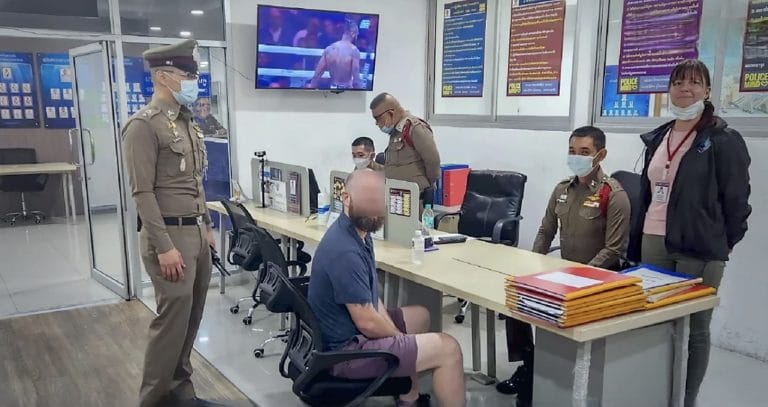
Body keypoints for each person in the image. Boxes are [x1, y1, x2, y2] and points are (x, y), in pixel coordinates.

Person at [628, 59, 751, 407]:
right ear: (669, 89)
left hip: (700, 245)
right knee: (656, 323)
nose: (686, 89)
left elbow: (737, 200)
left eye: (695, 82)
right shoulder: (660, 136)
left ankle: (686, 400)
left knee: (695, 328)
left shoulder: (723, 139)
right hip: (654, 239)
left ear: (707, 91)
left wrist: (722, 243)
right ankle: (657, 393)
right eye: (679, 82)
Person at [308, 170, 466, 407]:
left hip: (352, 335)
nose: (374, 209)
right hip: (345, 355)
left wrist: (400, 339)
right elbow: (367, 323)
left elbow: (371, 298)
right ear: (346, 198)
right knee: (448, 348)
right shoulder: (345, 251)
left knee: (421, 316)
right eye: (367, 200)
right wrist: (400, 339)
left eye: (378, 200)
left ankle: (409, 398)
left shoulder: (359, 233)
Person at [497, 126, 631, 407]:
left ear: (601, 155)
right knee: (517, 299)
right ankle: (530, 365)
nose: (576, 157)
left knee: (555, 312)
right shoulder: (562, 189)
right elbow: (546, 231)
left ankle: (552, 375)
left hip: (598, 279)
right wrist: (531, 268)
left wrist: (580, 278)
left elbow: (614, 250)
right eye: (572, 151)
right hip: (565, 274)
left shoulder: (613, 195)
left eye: (585, 152)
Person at [122, 39, 219, 407]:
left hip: (195, 232)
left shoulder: (186, 122)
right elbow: (142, 192)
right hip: (169, 236)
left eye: (193, 75)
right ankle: (152, 400)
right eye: (186, 74)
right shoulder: (143, 126)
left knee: (191, 318)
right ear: (163, 76)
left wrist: (206, 225)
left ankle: (181, 392)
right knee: (171, 324)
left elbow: (194, 181)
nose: (193, 81)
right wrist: (164, 247)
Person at [369, 92, 441, 207]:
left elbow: (433, 160)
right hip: (397, 198)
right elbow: (394, 168)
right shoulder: (396, 132)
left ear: (391, 113)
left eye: (378, 118)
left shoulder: (415, 128)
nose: (377, 123)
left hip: (414, 199)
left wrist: (428, 186)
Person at [308, 19, 362, 90]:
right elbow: (356, 79)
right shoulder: (354, 51)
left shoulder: (329, 49)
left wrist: (311, 89)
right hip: (346, 91)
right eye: (356, 34)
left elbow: (317, 74)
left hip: (332, 89)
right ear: (353, 34)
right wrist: (360, 93)